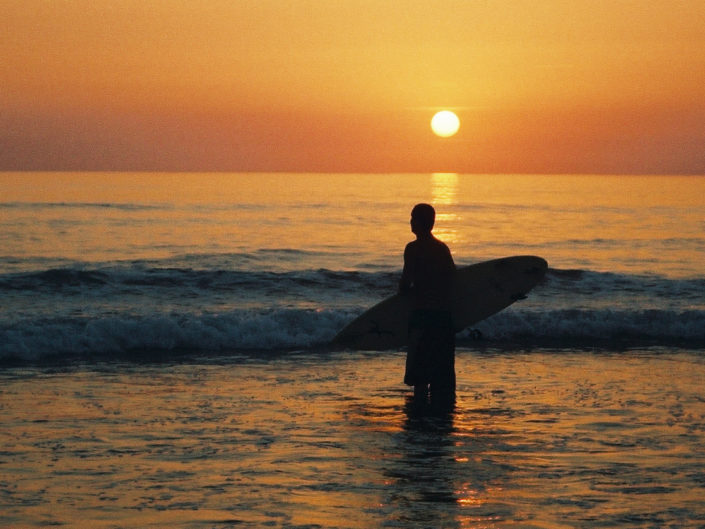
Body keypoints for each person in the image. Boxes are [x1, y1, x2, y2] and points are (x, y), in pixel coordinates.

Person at [399, 203, 456, 404]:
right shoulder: (442, 248)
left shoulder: (413, 249)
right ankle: (441, 425)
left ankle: (420, 418)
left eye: (413, 217)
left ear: (421, 222)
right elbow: (453, 282)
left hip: (422, 318)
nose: (410, 221)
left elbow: (405, 285)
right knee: (443, 379)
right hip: (443, 320)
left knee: (420, 379)